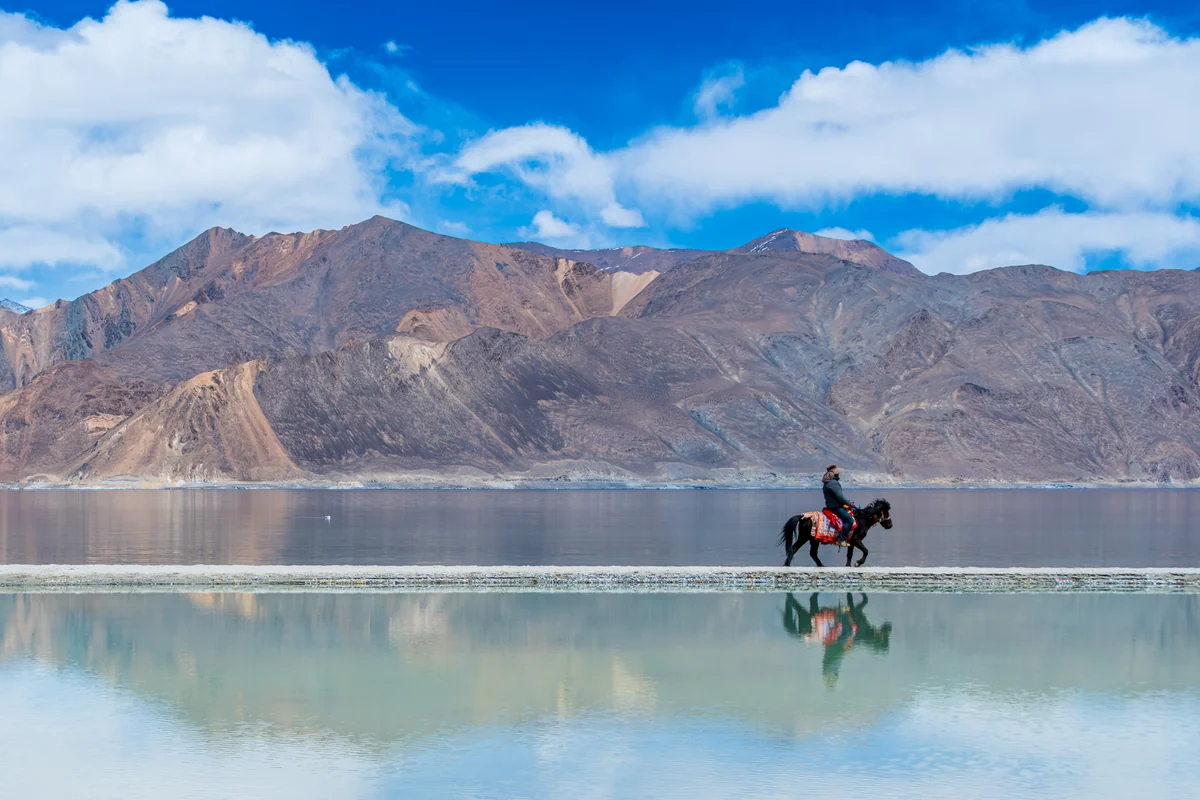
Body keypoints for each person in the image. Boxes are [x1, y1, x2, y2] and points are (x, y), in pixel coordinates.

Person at [822, 465, 855, 544]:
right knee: (850, 520)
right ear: (834, 474)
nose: (838, 474)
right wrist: (849, 503)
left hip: (830, 506)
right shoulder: (834, 483)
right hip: (836, 507)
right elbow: (840, 496)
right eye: (837, 473)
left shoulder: (827, 483)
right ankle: (841, 538)